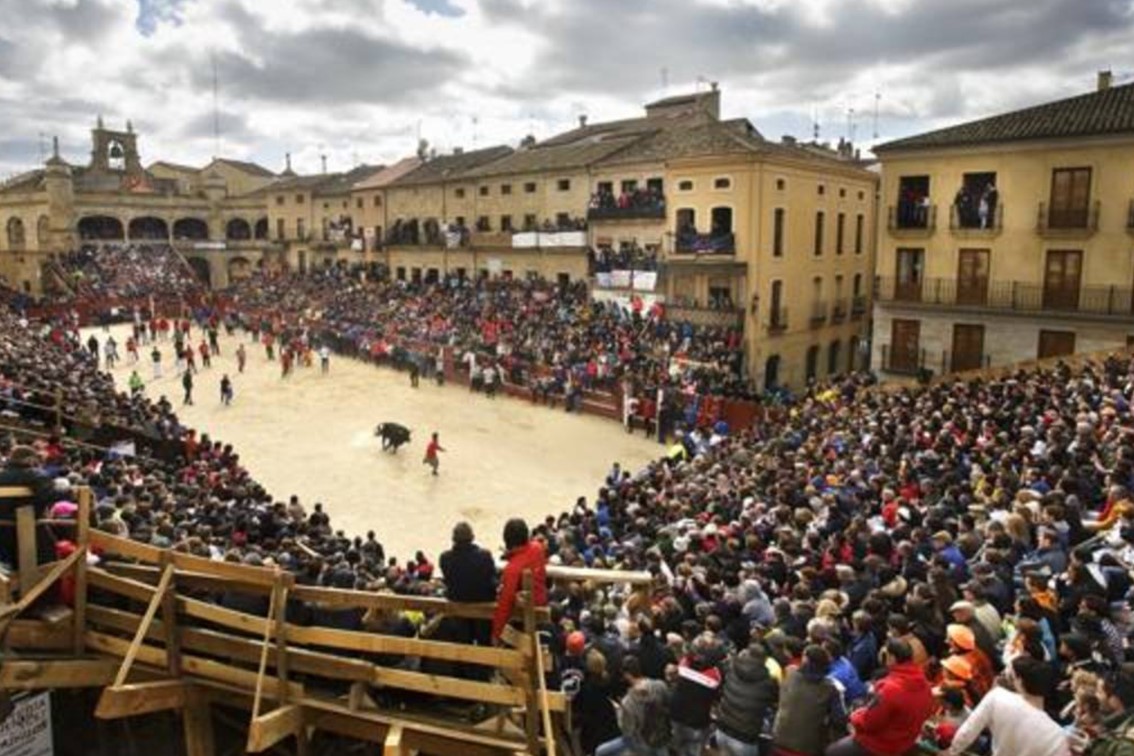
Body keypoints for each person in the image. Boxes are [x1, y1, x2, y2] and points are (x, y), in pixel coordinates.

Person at [827, 638, 935, 756]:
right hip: (907, 739)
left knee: (832, 751)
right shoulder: (925, 683)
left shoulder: (890, 689)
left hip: (883, 745)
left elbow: (870, 723)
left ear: (892, 658)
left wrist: (854, 717)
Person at [946, 655, 1070, 756]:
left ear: (1020, 681)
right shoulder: (1057, 735)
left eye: (1009, 675)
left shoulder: (997, 697)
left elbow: (968, 731)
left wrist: (952, 751)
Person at [772, 645, 846, 756]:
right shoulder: (831, 689)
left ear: (805, 660)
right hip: (807, 749)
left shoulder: (790, 675)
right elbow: (839, 721)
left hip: (777, 741)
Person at [0, 446, 63, 566]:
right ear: (29, 460)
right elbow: (50, 495)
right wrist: (67, 492)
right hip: (27, 529)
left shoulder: (2, 475)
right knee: (48, 563)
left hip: (3, 530)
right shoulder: (34, 475)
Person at [716, 644, 779, 756]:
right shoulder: (769, 682)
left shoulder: (731, 668)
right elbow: (775, 700)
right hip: (744, 738)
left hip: (722, 730)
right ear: (765, 660)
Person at [491, 518, 547, 642]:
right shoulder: (538, 548)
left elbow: (505, 603)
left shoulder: (512, 569)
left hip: (525, 617)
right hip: (542, 605)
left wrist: (496, 634)